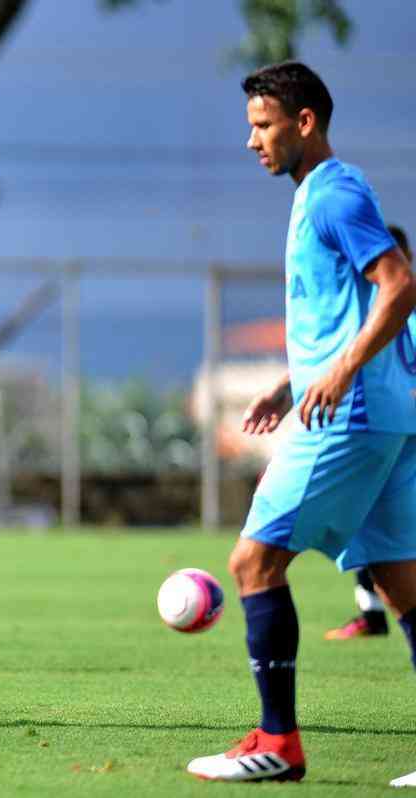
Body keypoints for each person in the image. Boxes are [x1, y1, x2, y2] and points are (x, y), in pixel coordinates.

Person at [186, 62, 416, 784]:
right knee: (402, 585)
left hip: (349, 416)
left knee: (253, 564)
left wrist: (340, 372)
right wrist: (293, 383)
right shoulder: (320, 193)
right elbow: (348, 308)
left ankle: (277, 743)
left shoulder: (333, 192)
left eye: (262, 124)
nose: (252, 139)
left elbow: (400, 284)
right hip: (381, 414)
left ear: (304, 121)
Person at [324, 224, 413, 640]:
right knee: (367, 522)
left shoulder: (403, 315)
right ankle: (371, 612)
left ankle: (374, 613)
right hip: (388, 433)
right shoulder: (370, 320)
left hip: (401, 435)